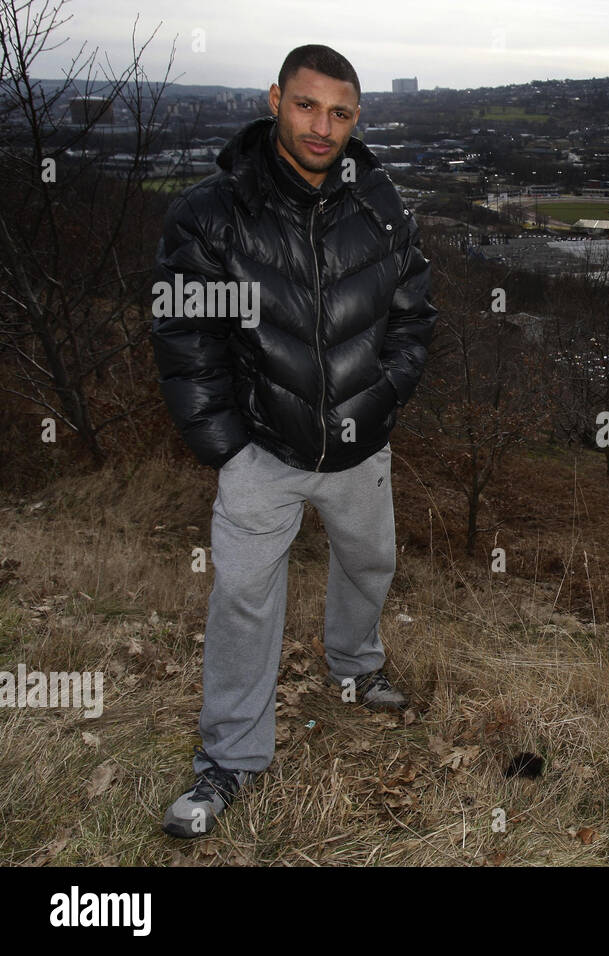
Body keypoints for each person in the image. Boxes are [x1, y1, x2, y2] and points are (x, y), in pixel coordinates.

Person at [149, 44, 438, 839]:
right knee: (243, 598)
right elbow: (185, 336)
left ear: (357, 119)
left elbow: (414, 316)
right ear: (276, 98)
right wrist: (227, 447)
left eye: (341, 112)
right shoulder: (212, 211)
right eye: (308, 106)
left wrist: (379, 399)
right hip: (262, 454)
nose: (323, 126)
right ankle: (230, 760)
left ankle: (355, 667)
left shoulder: (379, 204)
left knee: (371, 563)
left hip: (359, 447)